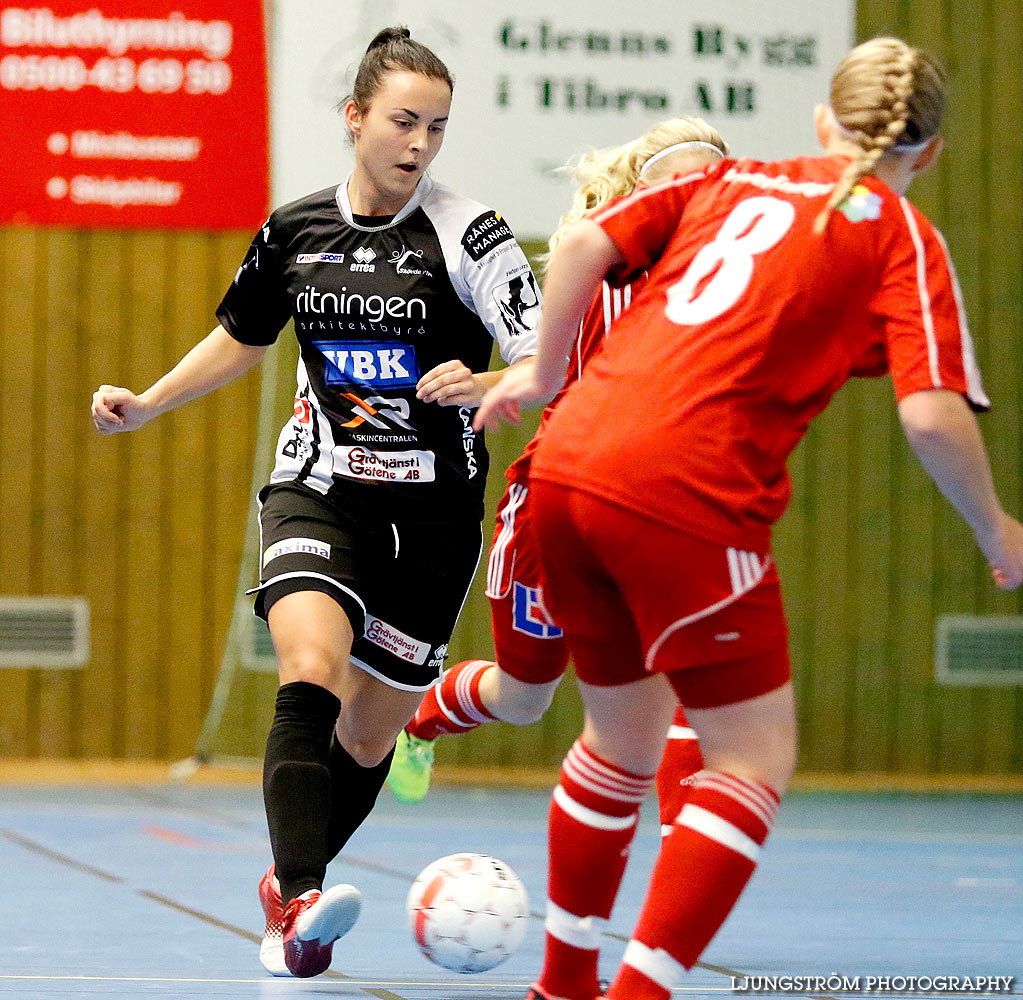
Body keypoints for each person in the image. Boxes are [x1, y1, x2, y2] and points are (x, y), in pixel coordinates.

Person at [475, 36, 1023, 1000]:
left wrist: (546, 374)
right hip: (681, 492)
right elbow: (931, 414)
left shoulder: (739, 182)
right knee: (752, 760)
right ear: (927, 154)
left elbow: (576, 243)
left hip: (564, 469)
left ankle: (562, 986)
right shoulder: (899, 233)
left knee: (620, 742)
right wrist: (996, 530)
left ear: (822, 121)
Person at [91, 26, 540, 980]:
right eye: (402, 121)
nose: (419, 143)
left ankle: (286, 897)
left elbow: (548, 357)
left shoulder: (472, 235)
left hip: (433, 518)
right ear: (356, 118)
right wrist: (149, 402)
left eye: (437, 127)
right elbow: (243, 336)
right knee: (309, 667)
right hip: (322, 489)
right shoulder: (295, 230)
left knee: (370, 732)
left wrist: (492, 382)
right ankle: (301, 895)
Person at [387, 120, 731, 851]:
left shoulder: (725, 290)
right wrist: (478, 383)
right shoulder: (599, 265)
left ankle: (678, 865)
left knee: (675, 682)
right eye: (683, 181)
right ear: (646, 193)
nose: (699, 198)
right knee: (523, 699)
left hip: (657, 506)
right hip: (556, 503)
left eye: (713, 186)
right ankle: (421, 719)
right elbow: (547, 371)